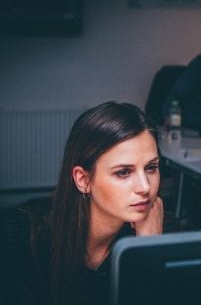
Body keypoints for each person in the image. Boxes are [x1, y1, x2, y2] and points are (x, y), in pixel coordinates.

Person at [0, 102, 164, 305]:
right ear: (83, 180)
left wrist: (148, 250)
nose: (145, 187)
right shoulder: (17, 232)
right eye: (123, 172)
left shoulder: (152, 233)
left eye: (151, 167)